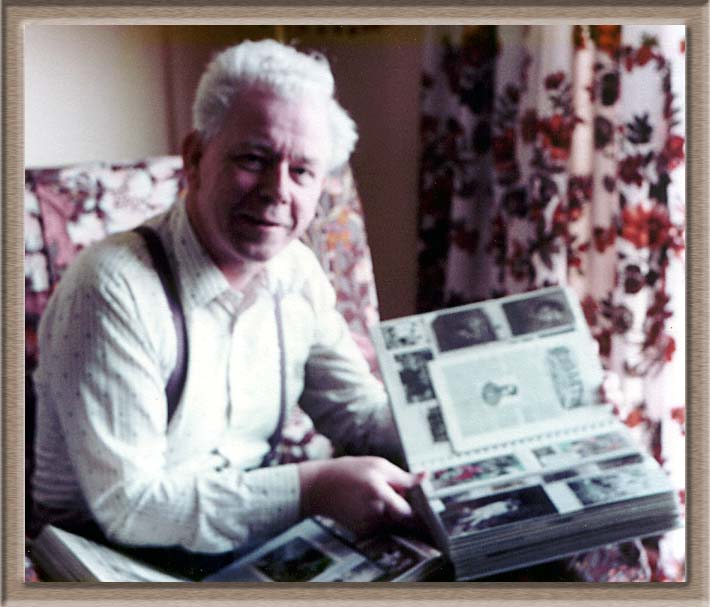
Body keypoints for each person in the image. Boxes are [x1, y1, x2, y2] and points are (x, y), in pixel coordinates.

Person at [31, 39, 421, 572]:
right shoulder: (112, 286)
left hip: (242, 543)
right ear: (195, 157)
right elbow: (129, 506)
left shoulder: (297, 271)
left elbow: (359, 415)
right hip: (107, 557)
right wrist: (312, 489)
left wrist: (464, 433)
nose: (277, 191)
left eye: (302, 172)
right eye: (254, 160)